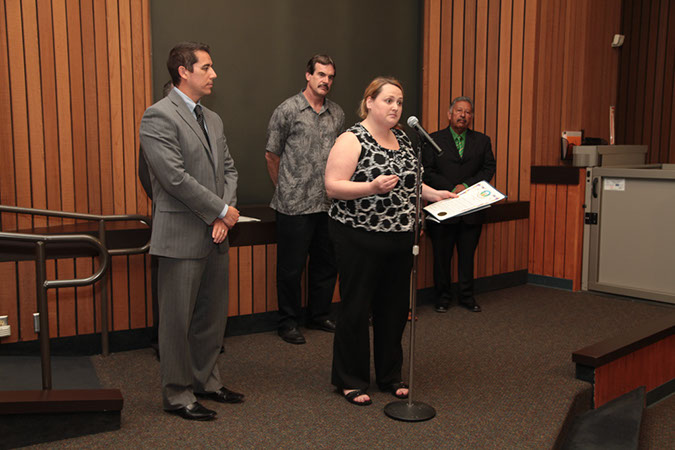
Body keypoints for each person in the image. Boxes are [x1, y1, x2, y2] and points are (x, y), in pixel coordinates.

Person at [325, 77, 454, 405]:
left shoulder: (404, 139)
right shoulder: (352, 139)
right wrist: (370, 187)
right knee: (356, 309)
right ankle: (350, 378)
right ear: (369, 102)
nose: (396, 107)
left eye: (399, 101)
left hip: (400, 239)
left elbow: (413, 183)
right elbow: (332, 186)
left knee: (394, 310)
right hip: (358, 237)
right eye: (388, 100)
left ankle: (389, 375)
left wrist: (435, 194)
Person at [139, 42, 244, 421]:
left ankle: (206, 381)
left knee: (211, 317)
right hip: (181, 236)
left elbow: (229, 170)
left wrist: (223, 216)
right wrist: (219, 210)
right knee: (176, 321)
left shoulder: (213, 119)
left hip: (216, 233)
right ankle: (178, 394)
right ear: (184, 71)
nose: (214, 74)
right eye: (207, 67)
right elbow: (173, 178)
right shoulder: (158, 116)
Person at [265, 55, 345, 345]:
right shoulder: (287, 110)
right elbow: (271, 155)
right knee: (290, 268)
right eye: (321, 74)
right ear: (308, 76)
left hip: (328, 204)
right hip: (293, 206)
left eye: (331, 76)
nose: (326, 81)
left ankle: (318, 314)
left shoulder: (337, 114)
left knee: (326, 264)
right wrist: (284, 188)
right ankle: (288, 322)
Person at [421, 96, 496, 313]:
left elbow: (488, 168)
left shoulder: (482, 141)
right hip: (442, 206)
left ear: (472, 117)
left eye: (468, 112)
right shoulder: (433, 140)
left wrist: (465, 185)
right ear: (449, 114)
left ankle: (467, 297)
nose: (463, 115)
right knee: (441, 257)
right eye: (459, 111)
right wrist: (450, 188)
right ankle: (442, 298)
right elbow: (428, 170)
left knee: (467, 256)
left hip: (471, 207)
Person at [138, 80, 173, 360]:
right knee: (167, 289)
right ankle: (164, 341)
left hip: (207, 222)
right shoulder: (156, 121)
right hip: (170, 219)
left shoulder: (208, 122)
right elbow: (148, 177)